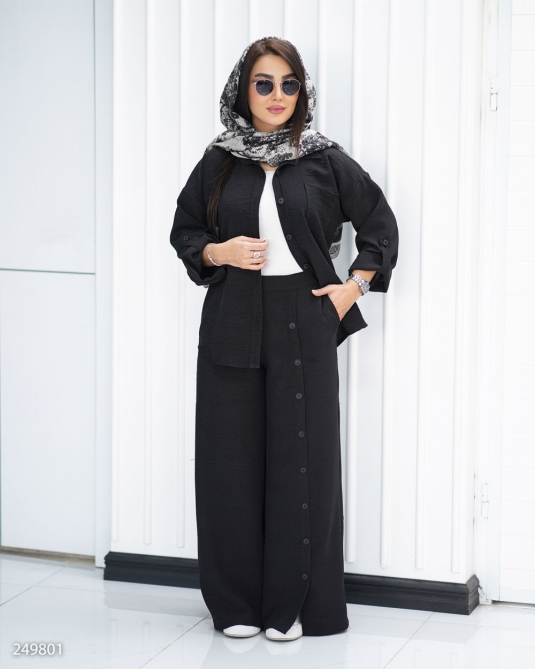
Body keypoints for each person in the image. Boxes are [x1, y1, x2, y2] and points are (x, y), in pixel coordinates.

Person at [170, 36, 399, 641]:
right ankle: (236, 605)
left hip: (306, 314)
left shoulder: (324, 159)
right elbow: (185, 231)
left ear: (303, 91)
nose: (277, 95)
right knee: (228, 461)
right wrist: (218, 251)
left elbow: (379, 223)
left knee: (303, 463)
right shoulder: (220, 161)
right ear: (242, 90)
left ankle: (296, 606)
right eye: (264, 83)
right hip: (232, 317)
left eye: (289, 83)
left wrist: (354, 286)